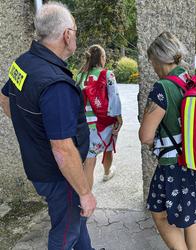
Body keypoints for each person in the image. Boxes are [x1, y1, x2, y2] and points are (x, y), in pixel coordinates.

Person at [0, 2, 99, 250]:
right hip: (60, 176)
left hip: (39, 166)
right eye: (75, 30)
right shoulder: (56, 85)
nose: (75, 35)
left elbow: (4, 97)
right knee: (65, 232)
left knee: (75, 221)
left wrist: (30, 131)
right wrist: (85, 192)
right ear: (67, 35)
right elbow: (63, 149)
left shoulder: (23, 62)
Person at [139, 31, 196, 250]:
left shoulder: (162, 88)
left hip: (173, 167)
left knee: (159, 213)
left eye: (151, 60)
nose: (152, 65)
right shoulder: (190, 79)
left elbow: (145, 136)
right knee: (191, 215)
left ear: (159, 57)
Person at [77, 45, 122, 187]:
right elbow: (114, 97)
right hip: (104, 121)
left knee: (89, 159)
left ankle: (106, 173)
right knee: (107, 146)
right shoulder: (107, 74)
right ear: (102, 58)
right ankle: (106, 173)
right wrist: (119, 118)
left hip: (85, 123)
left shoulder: (80, 75)